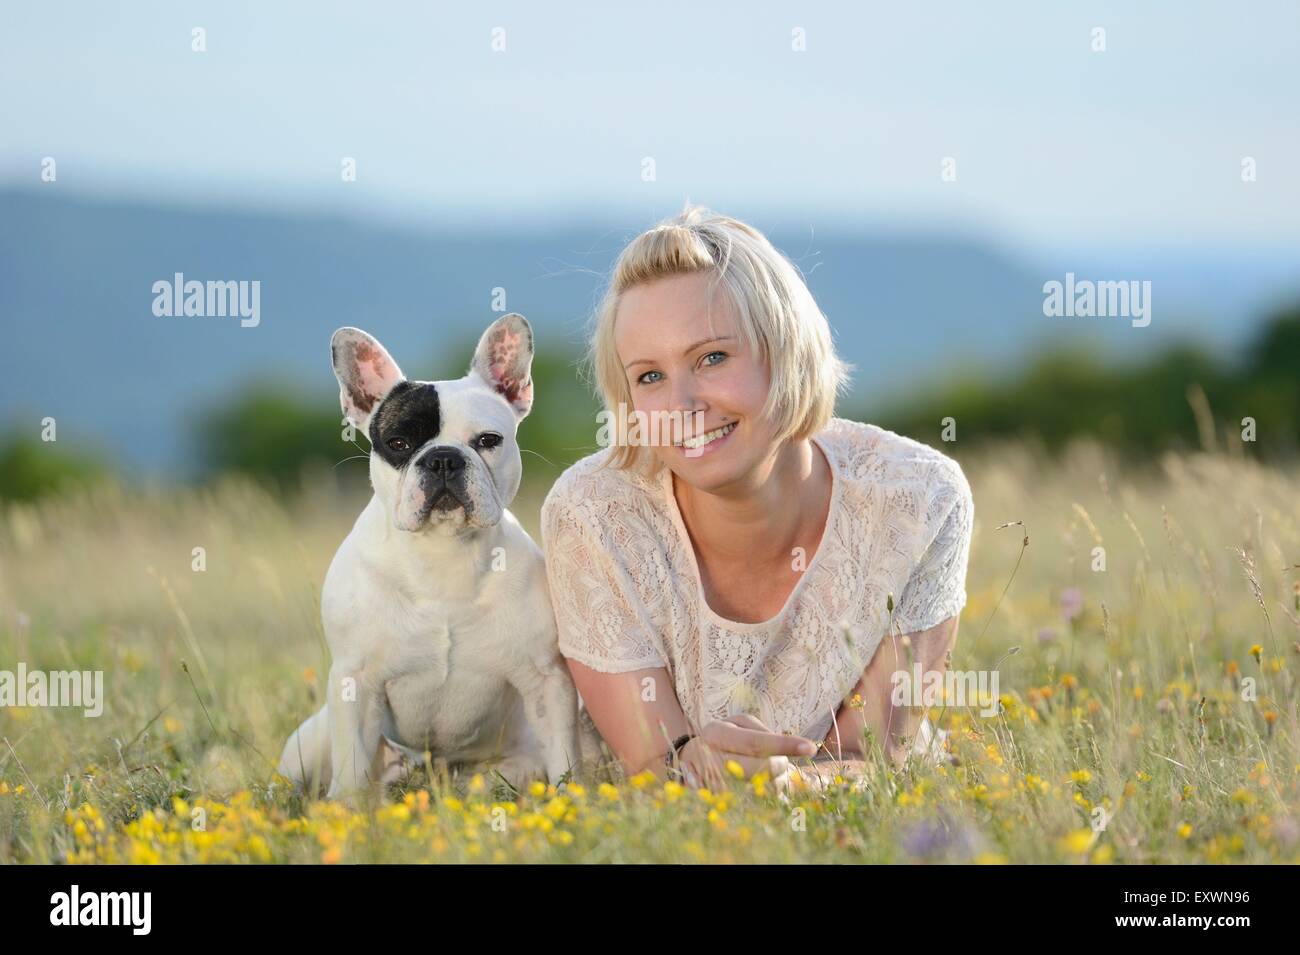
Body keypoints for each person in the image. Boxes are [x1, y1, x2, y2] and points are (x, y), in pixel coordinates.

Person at [540, 203, 974, 791]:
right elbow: (659, 777)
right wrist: (705, 775)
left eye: (712, 357)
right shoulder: (594, 514)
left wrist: (783, 789)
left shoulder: (920, 501)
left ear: (787, 350)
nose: (682, 406)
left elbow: (872, 762)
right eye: (649, 377)